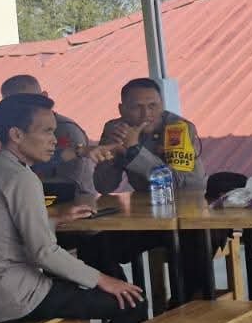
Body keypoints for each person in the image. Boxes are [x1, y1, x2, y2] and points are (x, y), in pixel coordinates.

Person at [0, 93, 146, 323]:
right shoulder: (21, 178)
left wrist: (54, 219)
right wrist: (105, 280)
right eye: (46, 131)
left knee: (72, 282)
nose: (54, 141)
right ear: (16, 135)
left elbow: (0, 230)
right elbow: (43, 253)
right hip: (12, 297)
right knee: (132, 303)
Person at [90, 77, 211, 296]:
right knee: (95, 246)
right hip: (147, 215)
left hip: (186, 214)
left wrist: (134, 150)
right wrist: (114, 153)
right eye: (137, 107)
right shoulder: (115, 129)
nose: (146, 114)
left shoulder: (177, 128)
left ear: (162, 105)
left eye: (153, 106)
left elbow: (179, 184)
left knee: (191, 245)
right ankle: (127, 301)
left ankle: (188, 305)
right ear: (121, 109)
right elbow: (104, 186)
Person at [0, 73, 96, 198]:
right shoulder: (9, 133)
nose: (22, 109)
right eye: (15, 105)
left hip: (73, 201)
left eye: (29, 102)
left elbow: (70, 185)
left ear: (44, 97)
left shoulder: (66, 131)